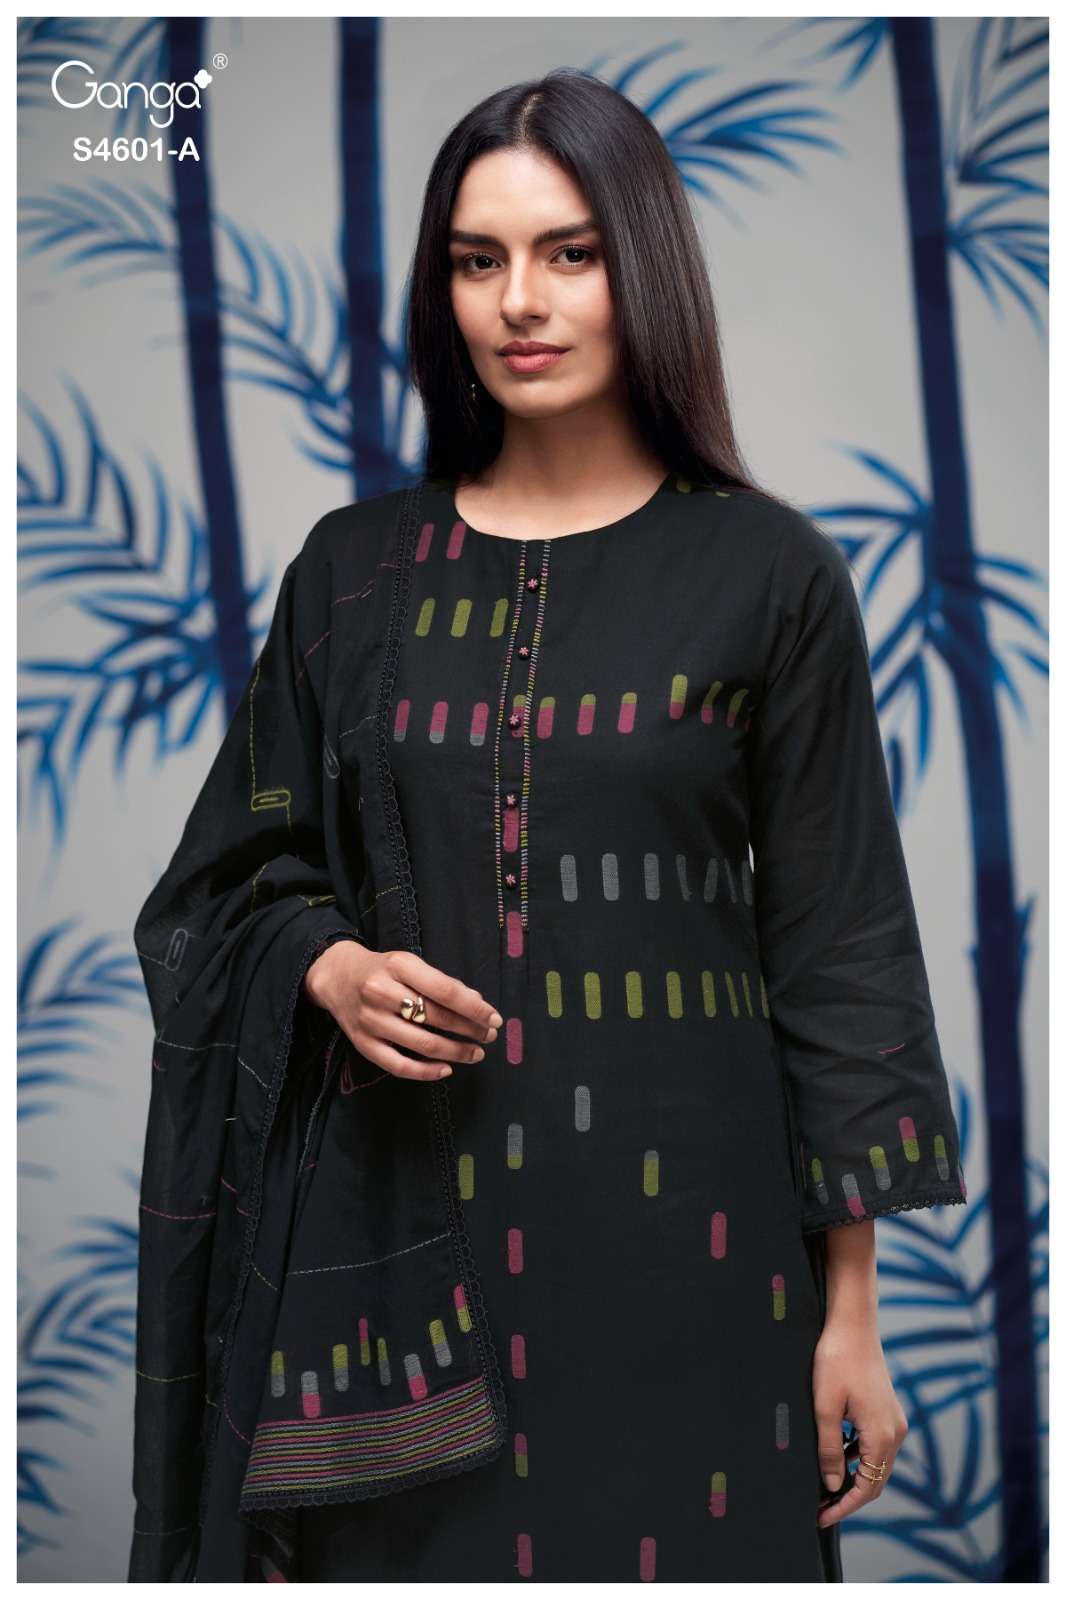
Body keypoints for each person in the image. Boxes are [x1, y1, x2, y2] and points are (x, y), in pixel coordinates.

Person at [129, 68, 966, 1583]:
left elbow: (837, 940)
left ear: (642, 267)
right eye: (478, 258)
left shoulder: (769, 573)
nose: (521, 300)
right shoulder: (353, 571)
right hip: (398, 1281)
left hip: (700, 1258)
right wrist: (326, 968)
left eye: (570, 252)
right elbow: (227, 881)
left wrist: (851, 1313)